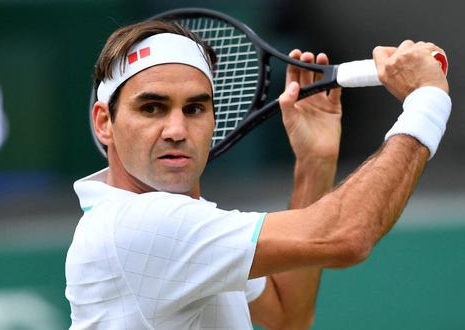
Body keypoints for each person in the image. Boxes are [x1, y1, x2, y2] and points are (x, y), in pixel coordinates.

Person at [65, 19, 450, 329]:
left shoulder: (170, 228)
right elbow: (346, 235)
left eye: (195, 109)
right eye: (152, 109)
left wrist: (314, 163)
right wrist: (427, 102)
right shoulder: (138, 227)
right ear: (105, 123)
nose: (177, 130)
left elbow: (287, 315)